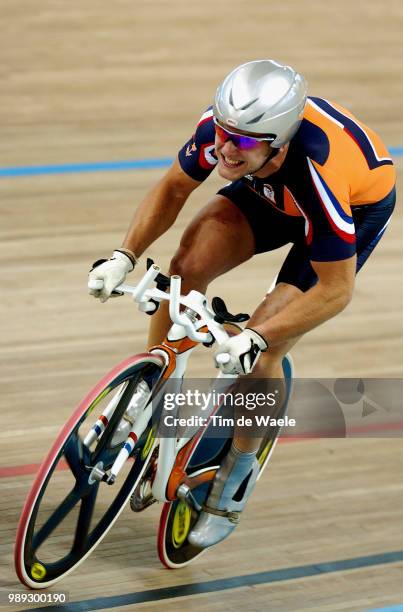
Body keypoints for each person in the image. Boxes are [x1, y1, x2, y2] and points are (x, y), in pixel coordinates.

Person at [88, 59, 396, 548]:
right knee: (183, 272)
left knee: (266, 348)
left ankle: (235, 477)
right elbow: (173, 187)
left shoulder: (316, 169)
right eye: (224, 133)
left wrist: (257, 336)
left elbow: (336, 290)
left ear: (280, 140)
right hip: (270, 190)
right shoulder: (226, 133)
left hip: (343, 210)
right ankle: (153, 396)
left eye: (245, 141)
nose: (226, 149)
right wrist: (124, 256)